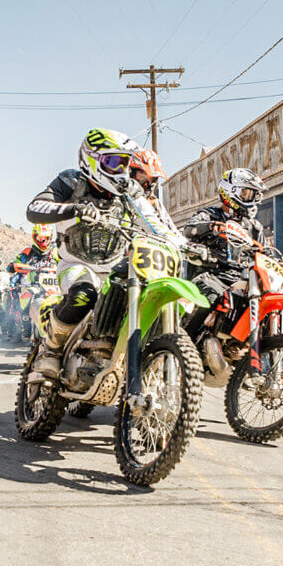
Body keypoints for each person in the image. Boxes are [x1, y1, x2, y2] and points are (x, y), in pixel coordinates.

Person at [25, 128, 185, 378]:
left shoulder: (129, 192)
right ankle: (52, 350)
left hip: (116, 268)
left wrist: (179, 243)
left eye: (124, 163)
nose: (120, 170)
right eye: (112, 162)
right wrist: (75, 209)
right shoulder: (71, 181)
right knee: (83, 295)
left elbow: (152, 222)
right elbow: (34, 208)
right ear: (91, 159)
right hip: (76, 263)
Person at [182, 168, 267, 340]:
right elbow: (188, 231)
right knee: (213, 294)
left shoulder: (253, 226)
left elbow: (263, 253)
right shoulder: (209, 215)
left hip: (242, 278)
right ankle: (184, 339)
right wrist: (211, 227)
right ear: (230, 192)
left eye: (253, 194)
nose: (251, 198)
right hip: (211, 273)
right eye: (247, 193)